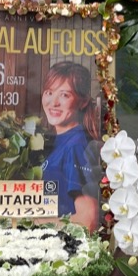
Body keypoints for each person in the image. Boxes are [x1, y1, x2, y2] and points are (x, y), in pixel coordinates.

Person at [40, 61, 101, 231]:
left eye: (64, 95)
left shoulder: (76, 146)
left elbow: (88, 221)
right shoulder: (57, 139)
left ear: (83, 102)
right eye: (49, 92)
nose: (53, 102)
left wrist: (32, 223)